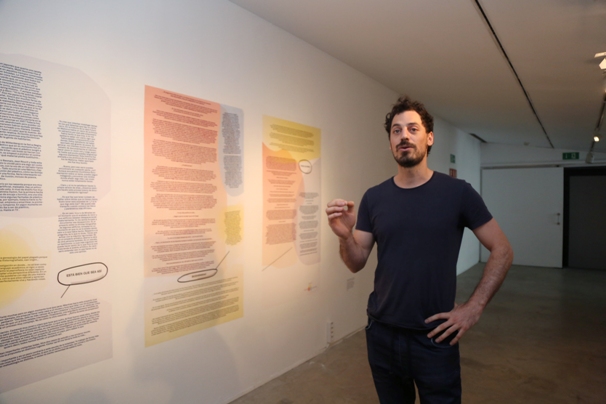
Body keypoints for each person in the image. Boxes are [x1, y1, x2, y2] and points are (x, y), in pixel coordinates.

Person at [325, 96, 513, 403]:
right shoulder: (374, 197)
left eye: (413, 129)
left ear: (429, 138)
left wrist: (473, 308)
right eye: (396, 131)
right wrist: (345, 236)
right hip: (382, 333)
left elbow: (502, 249)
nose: (404, 136)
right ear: (390, 142)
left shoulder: (458, 193)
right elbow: (356, 262)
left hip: (435, 337)